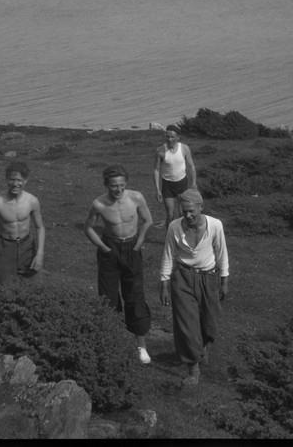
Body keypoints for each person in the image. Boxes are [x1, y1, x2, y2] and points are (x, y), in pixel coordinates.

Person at [84, 164, 154, 365]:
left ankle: (141, 345)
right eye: (114, 185)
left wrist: (139, 242)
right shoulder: (99, 204)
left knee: (135, 294)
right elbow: (88, 228)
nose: (119, 189)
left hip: (132, 247)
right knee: (108, 295)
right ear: (106, 184)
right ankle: (112, 340)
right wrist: (104, 248)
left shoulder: (136, 198)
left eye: (122, 185)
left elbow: (148, 220)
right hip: (110, 248)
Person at [159, 188, 229, 386]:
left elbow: (221, 252)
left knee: (210, 324)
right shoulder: (174, 227)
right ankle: (193, 369)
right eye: (184, 211)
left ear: (201, 208)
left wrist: (224, 281)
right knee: (186, 324)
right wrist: (164, 284)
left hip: (208, 277)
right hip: (182, 277)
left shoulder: (215, 225)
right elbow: (168, 255)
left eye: (192, 211)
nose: (188, 215)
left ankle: (201, 346)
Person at [0, 161, 45, 284]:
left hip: (27, 247)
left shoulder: (32, 201)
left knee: (35, 288)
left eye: (19, 180)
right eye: (12, 179)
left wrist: (40, 253)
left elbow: (40, 228)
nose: (15, 184)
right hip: (4, 248)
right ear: (6, 179)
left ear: (25, 181)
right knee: (1, 288)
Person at [153, 124, 196, 227]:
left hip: (182, 184)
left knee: (182, 213)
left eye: (172, 137)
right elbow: (156, 170)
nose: (169, 139)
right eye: (167, 136)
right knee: (170, 215)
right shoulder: (160, 151)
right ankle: (169, 234)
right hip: (168, 185)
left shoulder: (184, 148)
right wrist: (157, 190)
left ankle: (182, 233)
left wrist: (194, 183)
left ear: (178, 137)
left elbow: (191, 166)